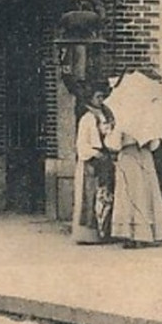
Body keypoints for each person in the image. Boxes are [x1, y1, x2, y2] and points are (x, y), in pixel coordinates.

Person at [70, 80, 116, 244]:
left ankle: (105, 231)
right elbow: (81, 144)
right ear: (90, 99)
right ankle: (87, 234)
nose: (100, 100)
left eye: (102, 97)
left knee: (105, 195)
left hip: (105, 158)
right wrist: (95, 152)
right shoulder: (87, 119)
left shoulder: (107, 115)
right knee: (89, 196)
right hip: (91, 160)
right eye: (97, 97)